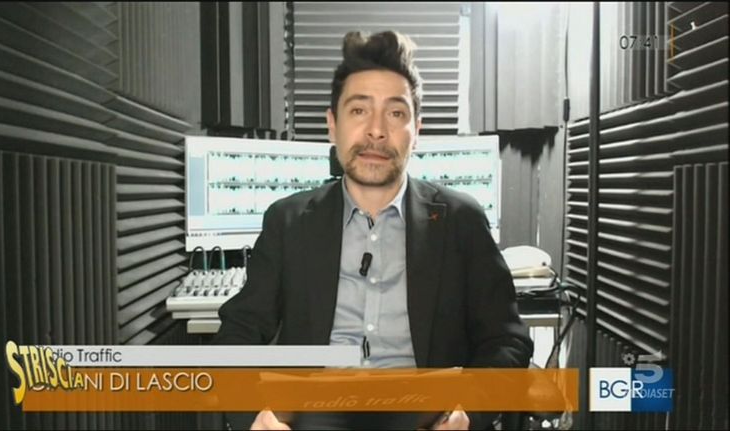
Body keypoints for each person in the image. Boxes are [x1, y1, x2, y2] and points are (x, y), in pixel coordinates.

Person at [215, 30, 533, 430]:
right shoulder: (288, 221)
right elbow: (238, 335)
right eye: (359, 110)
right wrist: (254, 416)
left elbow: (507, 341)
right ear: (332, 125)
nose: (376, 131)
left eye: (396, 113)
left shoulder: (461, 220)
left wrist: (467, 414)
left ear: (417, 130)